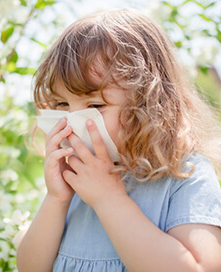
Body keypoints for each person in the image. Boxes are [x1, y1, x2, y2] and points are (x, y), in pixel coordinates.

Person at [17, 8, 221, 272]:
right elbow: (30, 268)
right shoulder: (76, 178)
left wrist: (109, 199)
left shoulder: (185, 174)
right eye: (61, 104)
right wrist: (56, 200)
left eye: (95, 105)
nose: (73, 121)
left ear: (148, 103)